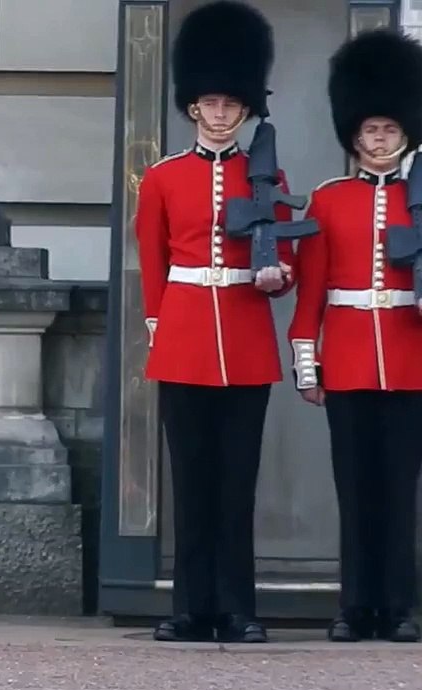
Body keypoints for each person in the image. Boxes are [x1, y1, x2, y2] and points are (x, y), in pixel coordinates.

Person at [137, 0, 298, 644]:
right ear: (193, 108)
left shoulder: (268, 175)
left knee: (237, 486)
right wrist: (159, 326)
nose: (222, 113)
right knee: (191, 483)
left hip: (245, 336)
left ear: (244, 108)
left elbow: (286, 254)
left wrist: (277, 274)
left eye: (232, 104)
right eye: (211, 103)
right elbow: (153, 265)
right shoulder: (163, 178)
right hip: (183, 340)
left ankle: (237, 607)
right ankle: (190, 607)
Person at [288, 28, 422, 644]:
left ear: (405, 133)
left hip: (408, 358)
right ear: (353, 135)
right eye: (369, 131)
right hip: (345, 358)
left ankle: (397, 606)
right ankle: (354, 605)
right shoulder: (329, 198)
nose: (378, 140)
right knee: (354, 489)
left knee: (400, 491)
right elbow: (311, 292)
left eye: (389, 131)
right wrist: (307, 365)